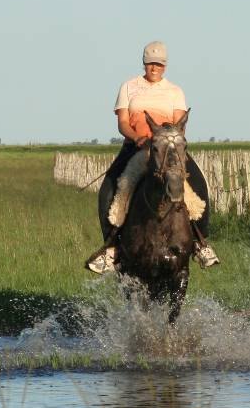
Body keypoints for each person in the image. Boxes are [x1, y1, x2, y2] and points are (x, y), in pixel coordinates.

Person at [86, 40, 220, 273]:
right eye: (150, 64)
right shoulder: (129, 87)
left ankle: (200, 242)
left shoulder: (175, 91)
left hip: (168, 149)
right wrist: (138, 137)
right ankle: (112, 249)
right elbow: (123, 123)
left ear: (165, 66)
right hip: (136, 147)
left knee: (199, 185)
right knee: (108, 190)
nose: (154, 68)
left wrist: (166, 141)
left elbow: (179, 125)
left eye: (159, 64)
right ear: (144, 63)